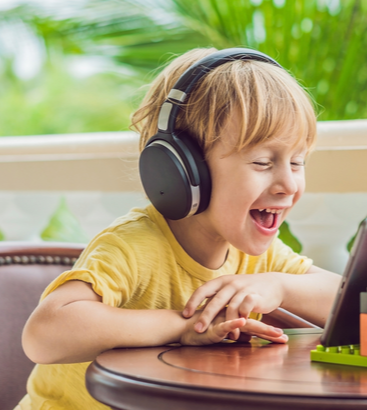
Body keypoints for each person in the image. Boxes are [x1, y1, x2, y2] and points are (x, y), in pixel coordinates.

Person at [17, 47, 341, 410]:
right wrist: (184, 326)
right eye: (263, 162)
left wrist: (281, 286)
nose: (288, 184)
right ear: (184, 170)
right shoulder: (133, 245)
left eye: (297, 162)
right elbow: (44, 336)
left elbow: (357, 302)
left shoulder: (256, 258)